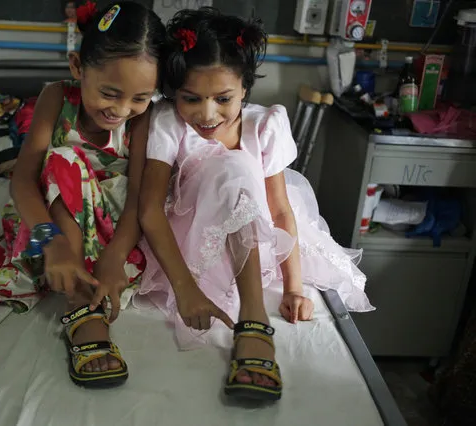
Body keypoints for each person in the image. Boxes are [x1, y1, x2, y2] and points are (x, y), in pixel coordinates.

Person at [137, 7, 374, 401]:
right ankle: (253, 318)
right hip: (193, 241)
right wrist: (183, 287)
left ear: (245, 89)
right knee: (232, 167)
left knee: (239, 169)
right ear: (173, 94)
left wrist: (294, 287)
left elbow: (280, 210)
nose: (207, 113)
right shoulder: (168, 122)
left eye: (223, 98)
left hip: (258, 243)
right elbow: (148, 210)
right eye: (190, 98)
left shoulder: (265, 124)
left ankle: (253, 315)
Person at [0, 1, 166, 389]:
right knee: (63, 159)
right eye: (110, 93)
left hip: (114, 229)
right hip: (49, 227)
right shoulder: (56, 98)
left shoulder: (145, 118)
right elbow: (23, 182)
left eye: (139, 97)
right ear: (77, 67)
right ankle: (81, 306)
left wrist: (113, 257)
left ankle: (85, 285)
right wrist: (53, 242)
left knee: (89, 176)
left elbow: (136, 201)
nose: (122, 109)